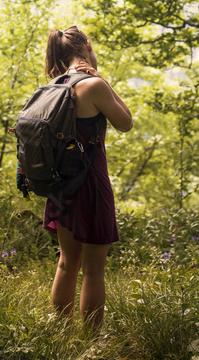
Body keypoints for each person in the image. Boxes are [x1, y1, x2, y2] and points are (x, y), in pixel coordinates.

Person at [43, 25, 133, 330]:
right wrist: (103, 79)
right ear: (88, 46)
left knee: (67, 264)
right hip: (91, 184)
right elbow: (126, 122)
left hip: (61, 184)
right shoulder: (93, 85)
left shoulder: (55, 84)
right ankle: (92, 345)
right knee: (94, 271)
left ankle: (62, 336)